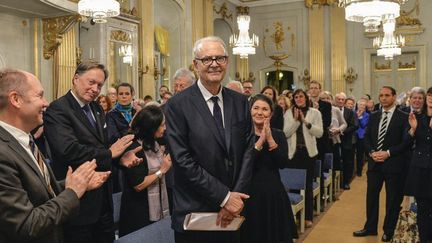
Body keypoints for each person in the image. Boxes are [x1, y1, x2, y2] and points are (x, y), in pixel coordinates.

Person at [0, 68, 110, 243]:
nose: (46, 103)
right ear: (15, 99)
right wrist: (72, 192)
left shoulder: (24, 139)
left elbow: (35, 189)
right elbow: (26, 225)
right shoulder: (3, 153)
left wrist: (71, 183)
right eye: (39, 95)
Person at [165, 36, 254, 243]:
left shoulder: (240, 102)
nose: (214, 64)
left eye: (220, 58)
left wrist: (235, 198)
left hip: (233, 212)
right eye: (207, 59)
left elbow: (248, 151)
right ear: (196, 65)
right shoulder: (178, 105)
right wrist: (224, 197)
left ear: (227, 62)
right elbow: (182, 160)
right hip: (195, 211)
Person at [44, 61, 140, 243]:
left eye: (99, 85)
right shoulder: (58, 109)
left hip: (104, 198)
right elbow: (68, 150)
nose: (95, 89)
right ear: (76, 79)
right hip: (79, 202)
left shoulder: (96, 108)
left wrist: (121, 158)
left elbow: (105, 144)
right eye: (91, 82)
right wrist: (110, 154)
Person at [353, 86, 410, 242]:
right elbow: (366, 137)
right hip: (374, 163)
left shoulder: (403, 117)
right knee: (371, 197)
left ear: (394, 97)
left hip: (394, 163)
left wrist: (388, 153)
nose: (383, 98)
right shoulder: (374, 115)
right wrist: (371, 152)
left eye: (386, 95)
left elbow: (405, 142)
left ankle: (388, 230)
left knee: (392, 199)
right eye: (381, 96)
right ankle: (370, 227)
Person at [240, 94, 298, 243]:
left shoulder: (278, 134)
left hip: (273, 195)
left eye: (265, 109)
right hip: (248, 195)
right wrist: (260, 141)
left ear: (271, 114)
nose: (260, 112)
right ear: (249, 111)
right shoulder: (242, 135)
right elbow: (246, 164)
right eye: (256, 108)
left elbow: (282, 163)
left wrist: (270, 138)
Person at [119, 105, 172, 236]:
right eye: (162, 125)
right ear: (151, 127)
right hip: (138, 212)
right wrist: (162, 171)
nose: (165, 128)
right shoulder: (134, 148)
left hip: (155, 206)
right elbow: (138, 185)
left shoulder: (155, 142)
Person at [284, 89, 323, 228]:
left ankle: (307, 216)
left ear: (306, 98)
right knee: (293, 186)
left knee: (307, 185)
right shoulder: (288, 113)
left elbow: (320, 133)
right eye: (296, 97)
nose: (299, 99)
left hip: (308, 153)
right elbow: (285, 133)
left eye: (301, 96)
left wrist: (306, 122)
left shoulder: (315, 113)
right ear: (293, 99)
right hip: (293, 154)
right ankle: (293, 218)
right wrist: (295, 121)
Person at [404, 87, 432, 243]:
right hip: (420, 169)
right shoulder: (417, 117)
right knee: (422, 208)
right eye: (430, 96)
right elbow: (407, 143)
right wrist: (413, 130)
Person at [335, 92, 359, 190]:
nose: (340, 101)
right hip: (334, 141)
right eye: (339, 99)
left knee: (347, 162)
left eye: (342, 100)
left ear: (344, 101)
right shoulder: (332, 110)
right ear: (336, 100)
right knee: (336, 163)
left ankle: (346, 182)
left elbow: (355, 125)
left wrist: (342, 131)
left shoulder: (350, 112)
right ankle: (335, 184)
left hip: (347, 140)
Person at [309, 81, 332, 164]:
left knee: (319, 165)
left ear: (320, 90)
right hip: (307, 139)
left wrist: (317, 111)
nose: (313, 90)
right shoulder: (305, 105)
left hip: (320, 140)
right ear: (309, 91)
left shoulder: (326, 105)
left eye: (316, 88)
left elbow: (327, 123)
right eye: (311, 88)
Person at [355, 98, 370, 177]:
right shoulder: (353, 113)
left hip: (361, 137)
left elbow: (364, 125)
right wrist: (357, 116)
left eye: (364, 105)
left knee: (360, 155)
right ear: (357, 105)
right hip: (353, 136)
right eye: (361, 105)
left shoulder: (367, 115)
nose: (362, 106)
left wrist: (360, 117)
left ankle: (359, 171)